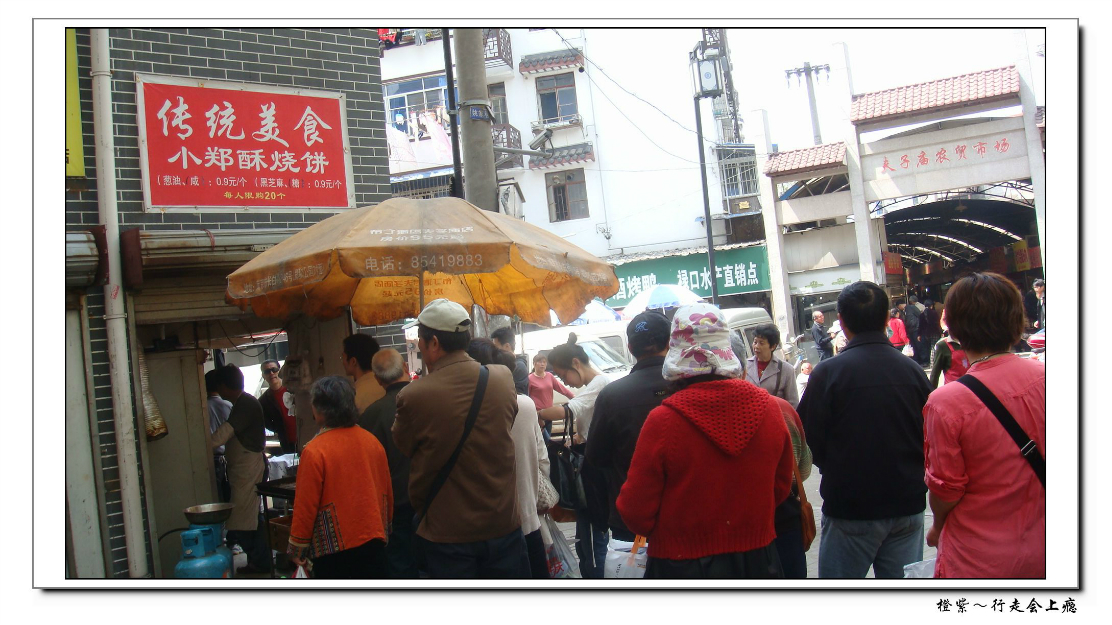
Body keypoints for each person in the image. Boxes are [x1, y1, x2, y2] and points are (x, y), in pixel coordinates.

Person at [616, 302, 793, 578]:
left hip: (680, 565)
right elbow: (781, 487)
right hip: (759, 560)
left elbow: (635, 511)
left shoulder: (663, 421)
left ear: (675, 352)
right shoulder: (770, 409)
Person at [796, 281, 934, 578]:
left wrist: (837, 465)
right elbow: (931, 436)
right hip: (907, 505)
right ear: (886, 319)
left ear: (842, 322)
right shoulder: (912, 372)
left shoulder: (828, 374)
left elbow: (808, 440)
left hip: (850, 505)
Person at [392, 299, 529, 578]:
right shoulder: (502, 378)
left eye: (420, 340)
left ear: (433, 343)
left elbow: (404, 445)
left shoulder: (413, 396)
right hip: (502, 524)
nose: (419, 346)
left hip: (447, 534)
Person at [923, 273, 1046, 578]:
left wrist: (937, 526)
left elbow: (946, 490)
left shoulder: (945, 403)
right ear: (1017, 320)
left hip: (979, 560)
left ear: (954, 328)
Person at [287, 376, 392, 578]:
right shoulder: (372, 442)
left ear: (318, 409)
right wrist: (386, 528)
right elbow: (386, 491)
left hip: (332, 551)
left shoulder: (315, 451)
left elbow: (305, 506)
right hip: (374, 540)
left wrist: (297, 548)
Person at [586, 311, 672, 548]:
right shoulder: (687, 386)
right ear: (670, 342)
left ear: (630, 347)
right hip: (685, 515)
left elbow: (595, 458)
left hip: (630, 520)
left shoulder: (612, 395)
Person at [470, 342, 550, 579]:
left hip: (484, 527)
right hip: (527, 516)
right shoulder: (525, 404)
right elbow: (543, 459)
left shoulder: (463, 407)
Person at [537, 334, 612, 578]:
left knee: (592, 538)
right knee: (587, 538)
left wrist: (536, 413)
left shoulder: (600, 383)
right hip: (591, 463)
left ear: (576, 364)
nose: (563, 381)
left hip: (594, 469)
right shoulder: (595, 386)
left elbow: (568, 410)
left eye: (562, 375)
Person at [357, 348, 417, 578]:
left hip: (394, 503)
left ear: (378, 379)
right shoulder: (428, 400)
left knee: (400, 564)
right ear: (405, 368)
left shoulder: (371, 415)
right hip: (433, 497)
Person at [212, 364, 271, 575]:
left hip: (249, 467)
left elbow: (223, 434)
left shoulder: (246, 403)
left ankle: (261, 561)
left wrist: (203, 443)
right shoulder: (241, 402)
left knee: (247, 518)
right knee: (246, 517)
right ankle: (258, 560)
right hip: (242, 468)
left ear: (224, 386)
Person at [744, 323, 799, 405]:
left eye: (761, 343)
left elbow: (793, 403)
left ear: (773, 346)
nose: (756, 346)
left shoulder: (786, 370)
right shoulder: (744, 366)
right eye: (755, 342)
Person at [527, 353, 575, 441]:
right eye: (540, 362)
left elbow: (561, 389)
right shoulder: (530, 378)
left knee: (547, 440)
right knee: (545, 440)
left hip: (549, 413)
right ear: (534, 364)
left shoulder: (549, 376)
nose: (542, 364)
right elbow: (527, 397)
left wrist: (574, 398)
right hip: (538, 415)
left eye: (544, 362)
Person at [205, 369, 233, 503]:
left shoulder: (202, 407)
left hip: (210, 458)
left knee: (216, 499)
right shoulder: (228, 405)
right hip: (227, 458)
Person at [259, 360, 297, 454]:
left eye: (274, 369)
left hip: (306, 436)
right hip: (287, 443)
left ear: (280, 371)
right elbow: (266, 422)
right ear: (263, 376)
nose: (271, 373)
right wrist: (279, 429)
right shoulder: (263, 401)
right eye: (267, 371)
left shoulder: (294, 389)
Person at [341, 333, 384, 414]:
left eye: (342, 357)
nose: (343, 362)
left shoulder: (353, 397)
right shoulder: (386, 386)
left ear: (353, 361)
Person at [929, 310, 969, 389]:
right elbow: (935, 373)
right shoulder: (942, 345)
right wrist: (931, 391)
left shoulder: (970, 342)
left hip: (970, 388)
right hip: (952, 389)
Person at [491, 325, 530, 392]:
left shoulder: (519, 367)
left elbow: (517, 394)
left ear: (507, 346)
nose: (493, 350)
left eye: (495, 347)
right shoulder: (500, 364)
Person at [903, 296, 923, 362]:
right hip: (912, 329)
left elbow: (919, 315)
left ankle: (920, 359)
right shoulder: (908, 309)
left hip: (913, 328)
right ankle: (919, 359)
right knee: (916, 345)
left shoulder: (910, 308)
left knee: (916, 345)